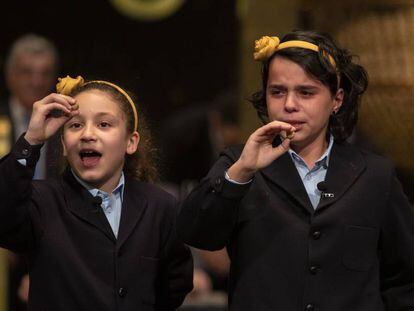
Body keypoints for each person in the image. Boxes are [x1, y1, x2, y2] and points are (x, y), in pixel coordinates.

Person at [177, 30, 414, 310]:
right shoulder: (239, 164)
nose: (289, 105)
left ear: (336, 99)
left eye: (306, 92)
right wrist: (241, 172)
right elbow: (195, 233)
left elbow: (405, 279)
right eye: (277, 92)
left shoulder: (375, 175)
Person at [0, 75, 193, 310]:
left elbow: (174, 287)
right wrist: (31, 140)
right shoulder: (42, 201)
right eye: (75, 125)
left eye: (104, 124)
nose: (87, 134)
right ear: (62, 145)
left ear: (130, 142)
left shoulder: (160, 206)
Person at [0, 33, 59, 311]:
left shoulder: (69, 127)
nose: (36, 82)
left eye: (45, 73)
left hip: (53, 242)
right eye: (27, 72)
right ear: (10, 76)